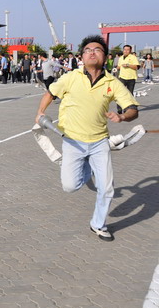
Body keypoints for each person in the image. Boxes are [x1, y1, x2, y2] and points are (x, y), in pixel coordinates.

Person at [35, 35, 138, 242]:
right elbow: (50, 93)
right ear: (82, 56)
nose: (92, 52)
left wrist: (122, 116)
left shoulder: (112, 83)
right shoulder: (71, 77)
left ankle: (98, 224)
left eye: (97, 49)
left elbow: (133, 110)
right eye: (87, 50)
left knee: (106, 187)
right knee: (70, 186)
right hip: (72, 140)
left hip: (100, 142)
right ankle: (88, 169)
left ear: (106, 57)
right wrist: (40, 113)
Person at [115, 44, 139, 114]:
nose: (126, 51)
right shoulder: (120, 58)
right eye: (124, 49)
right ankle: (119, 109)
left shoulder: (133, 57)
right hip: (122, 77)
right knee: (120, 93)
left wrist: (128, 65)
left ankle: (127, 109)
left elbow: (136, 67)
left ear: (130, 51)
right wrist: (116, 69)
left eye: (127, 50)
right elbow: (119, 66)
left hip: (131, 78)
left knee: (129, 95)